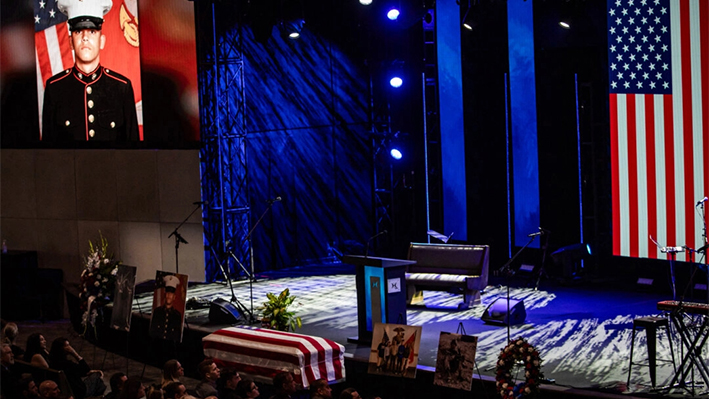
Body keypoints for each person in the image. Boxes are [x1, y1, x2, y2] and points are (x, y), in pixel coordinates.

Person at [42, 0, 139, 143]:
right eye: (78, 31)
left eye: (92, 31)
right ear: (70, 42)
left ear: (102, 41)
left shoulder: (121, 88)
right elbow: (48, 154)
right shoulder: (55, 88)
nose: (85, 38)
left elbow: (133, 151)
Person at [150, 274, 184, 342]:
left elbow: (177, 336)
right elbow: (152, 332)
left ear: (174, 297)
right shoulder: (157, 312)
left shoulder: (177, 316)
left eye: (171, 294)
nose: (169, 296)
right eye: (167, 293)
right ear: (165, 295)